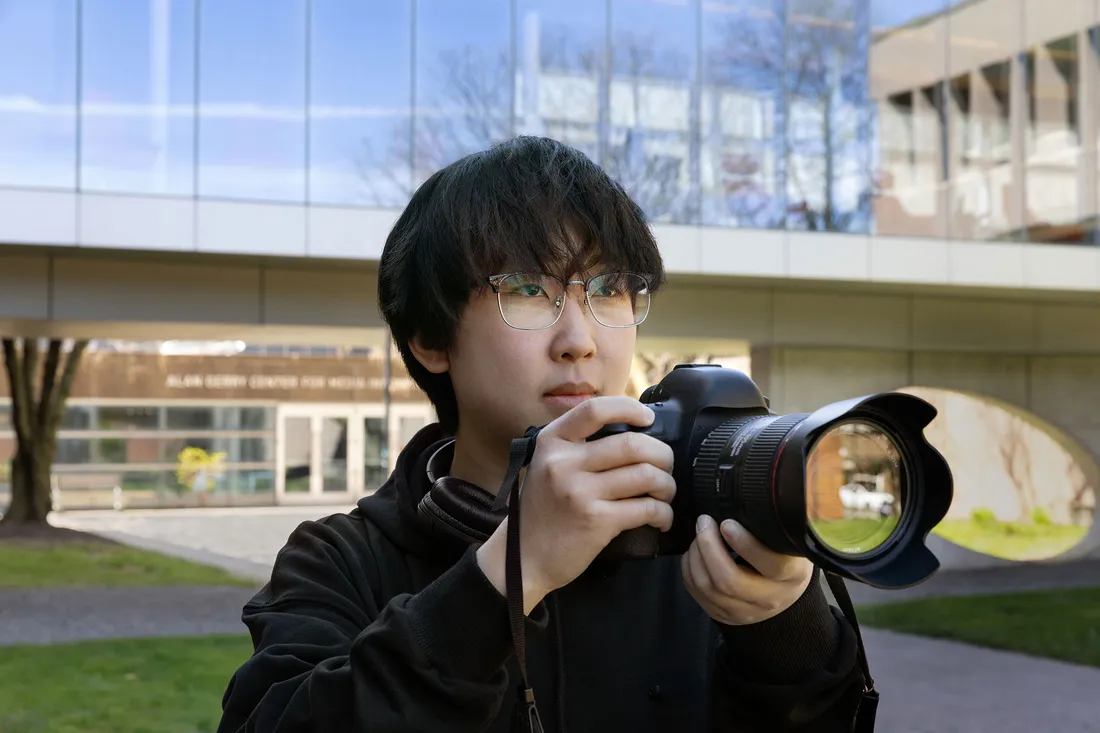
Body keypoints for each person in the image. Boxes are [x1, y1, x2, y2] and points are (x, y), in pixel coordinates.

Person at [216, 136, 868, 733]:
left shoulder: (696, 542)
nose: (579, 341)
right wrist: (510, 571)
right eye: (528, 289)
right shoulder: (343, 559)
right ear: (430, 338)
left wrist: (785, 624)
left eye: (608, 289)